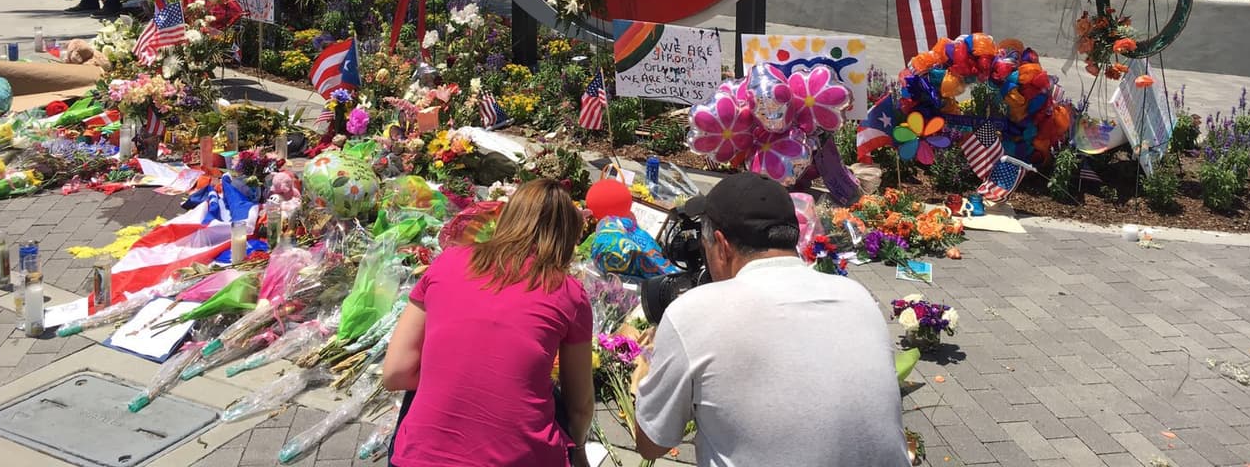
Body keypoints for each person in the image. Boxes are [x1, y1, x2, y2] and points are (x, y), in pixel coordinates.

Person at [634, 172, 908, 467]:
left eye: (705, 245)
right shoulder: (857, 297)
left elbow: (651, 444)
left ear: (722, 245)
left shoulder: (693, 312)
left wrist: (643, 373)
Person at [383, 178, 596, 467]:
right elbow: (581, 406)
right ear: (566, 238)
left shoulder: (448, 261)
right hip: (522, 458)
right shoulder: (569, 293)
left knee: (419, 394)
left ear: (507, 218)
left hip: (419, 459)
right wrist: (579, 450)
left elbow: (396, 373)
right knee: (555, 398)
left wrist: (454, 378)